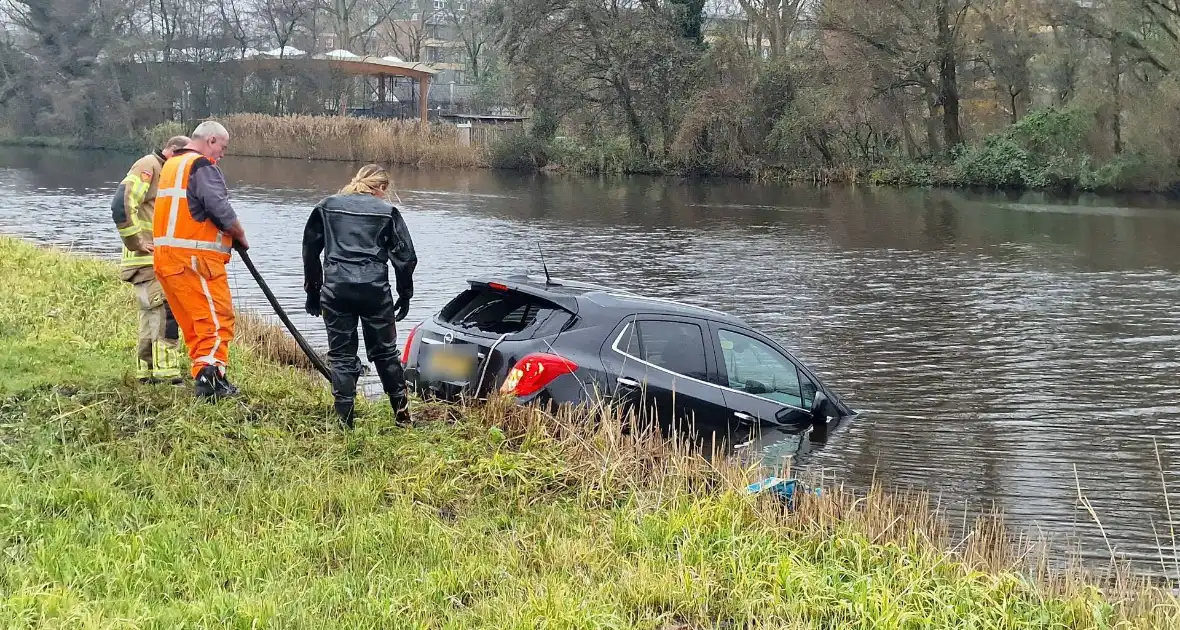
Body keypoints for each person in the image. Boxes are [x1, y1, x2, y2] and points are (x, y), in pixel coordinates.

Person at [301, 164, 418, 428]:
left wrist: (313, 291)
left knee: (341, 355)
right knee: (385, 353)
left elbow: (310, 249)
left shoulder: (328, 206)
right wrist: (405, 294)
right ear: (382, 188)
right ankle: (403, 418)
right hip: (374, 291)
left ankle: (345, 421)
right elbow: (406, 258)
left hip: (336, 289)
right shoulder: (388, 212)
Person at [152, 120, 250, 399]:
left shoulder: (171, 165)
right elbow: (217, 206)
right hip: (196, 260)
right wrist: (240, 234)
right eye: (223, 147)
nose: (222, 154)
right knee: (217, 318)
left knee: (195, 322)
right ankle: (211, 381)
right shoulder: (201, 166)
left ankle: (205, 374)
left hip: (168, 260)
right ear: (210, 141)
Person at [110, 135, 190, 384]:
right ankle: (167, 375)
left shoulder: (160, 169)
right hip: (148, 259)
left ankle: (147, 372)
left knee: (150, 316)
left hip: (147, 261)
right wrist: (136, 242)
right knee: (167, 312)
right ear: (174, 152)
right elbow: (121, 203)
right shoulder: (149, 166)